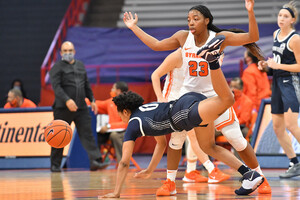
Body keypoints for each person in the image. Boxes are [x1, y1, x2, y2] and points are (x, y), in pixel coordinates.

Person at [122, 0, 271, 195]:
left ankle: (260, 177)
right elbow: (157, 45)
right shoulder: (183, 37)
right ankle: (170, 183)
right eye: (188, 19)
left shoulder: (220, 37)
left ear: (207, 20)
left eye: (195, 19)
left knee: (236, 139)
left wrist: (250, 12)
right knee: (178, 139)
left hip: (214, 95)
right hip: (189, 97)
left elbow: (253, 36)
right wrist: (134, 27)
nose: (190, 22)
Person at [101, 36, 264, 198]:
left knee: (226, 100)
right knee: (208, 146)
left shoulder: (133, 124)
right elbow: (161, 144)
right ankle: (249, 175)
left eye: (118, 113)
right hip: (186, 101)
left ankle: (213, 61)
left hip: (182, 113)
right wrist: (149, 170)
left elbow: (123, 162)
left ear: (125, 112)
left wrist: (116, 192)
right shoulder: (144, 110)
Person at [135, 48, 230, 184]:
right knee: (192, 134)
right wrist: (160, 97)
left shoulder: (199, 54)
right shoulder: (178, 55)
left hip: (187, 98)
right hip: (172, 99)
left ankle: (191, 171)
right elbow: (155, 75)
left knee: (193, 135)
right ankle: (211, 170)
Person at [49, 41, 109, 172]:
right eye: (65, 51)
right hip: (63, 108)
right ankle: (55, 165)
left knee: (88, 134)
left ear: (74, 52)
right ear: (61, 53)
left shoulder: (80, 65)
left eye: (70, 50)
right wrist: (67, 100)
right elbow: (56, 87)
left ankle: (95, 161)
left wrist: (92, 99)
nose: (68, 53)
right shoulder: (56, 67)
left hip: (81, 107)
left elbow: (86, 84)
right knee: (59, 136)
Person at [258, 1, 300, 178]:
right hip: (276, 83)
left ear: (292, 20)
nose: (281, 18)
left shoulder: (295, 39)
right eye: (280, 15)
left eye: (285, 16)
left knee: (291, 125)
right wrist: (266, 65)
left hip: (291, 83)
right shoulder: (276, 34)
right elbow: (276, 61)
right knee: (277, 127)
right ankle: (295, 163)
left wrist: (278, 64)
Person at [96, 81, 128, 162]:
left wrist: (109, 126)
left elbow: (126, 123)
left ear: (119, 91)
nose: (111, 90)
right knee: (96, 134)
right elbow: (96, 104)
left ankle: (123, 162)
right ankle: (97, 160)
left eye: (113, 88)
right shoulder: (110, 102)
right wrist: (82, 100)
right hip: (110, 131)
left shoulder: (128, 103)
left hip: (125, 132)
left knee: (114, 135)